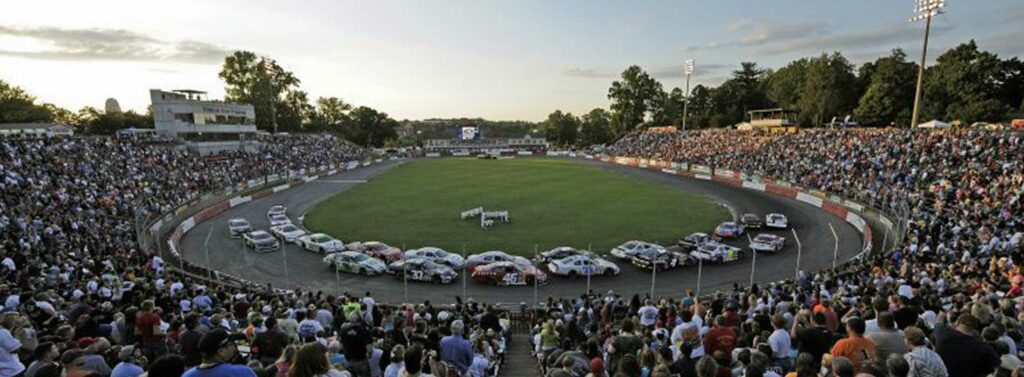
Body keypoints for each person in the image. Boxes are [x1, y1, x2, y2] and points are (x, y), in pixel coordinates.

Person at [933, 313, 999, 377]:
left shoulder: (942, 333)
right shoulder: (984, 348)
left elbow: (938, 321)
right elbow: (997, 368)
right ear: (974, 329)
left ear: (957, 323)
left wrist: (942, 314)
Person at [181, 329, 256, 377]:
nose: (234, 348)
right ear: (221, 351)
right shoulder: (242, 372)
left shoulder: (187, 375)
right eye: (231, 344)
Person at [338, 312, 372, 377]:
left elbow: (340, 347)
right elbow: (369, 349)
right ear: (360, 319)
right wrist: (369, 355)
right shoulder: (364, 330)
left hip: (348, 360)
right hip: (360, 360)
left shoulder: (343, 329)